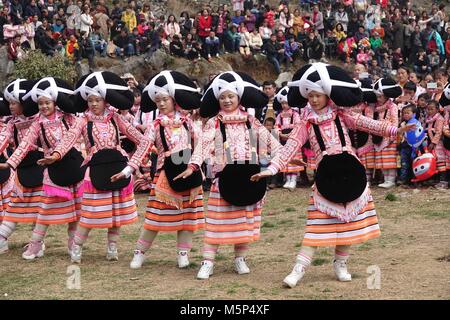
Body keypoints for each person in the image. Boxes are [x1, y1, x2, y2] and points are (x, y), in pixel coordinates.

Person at [251, 62, 414, 288]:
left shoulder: (342, 114)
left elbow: (369, 124)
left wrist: (396, 130)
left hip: (351, 173)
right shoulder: (305, 123)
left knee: (349, 226)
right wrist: (270, 169)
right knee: (315, 229)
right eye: (311, 96)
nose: (314, 100)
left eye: (318, 95)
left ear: (327, 94)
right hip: (326, 178)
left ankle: (341, 263)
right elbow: (290, 148)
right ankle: (298, 269)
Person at [38, 71, 151, 264]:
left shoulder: (116, 118)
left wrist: (150, 147)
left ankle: (112, 247)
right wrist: (56, 155)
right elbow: (70, 137)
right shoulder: (83, 120)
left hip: (117, 167)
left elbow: (138, 137)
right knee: (89, 213)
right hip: (95, 170)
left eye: (97, 100)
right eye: (90, 100)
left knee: (116, 213)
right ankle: (77, 247)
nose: (93, 104)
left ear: (105, 101)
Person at [181, 71, 281, 279]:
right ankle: (207, 262)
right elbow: (203, 145)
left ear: (238, 98)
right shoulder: (214, 123)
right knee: (217, 222)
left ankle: (240, 259)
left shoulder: (251, 121)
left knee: (244, 222)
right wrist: (192, 165)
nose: (227, 100)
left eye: (231, 96)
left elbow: (271, 143)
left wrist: (279, 161)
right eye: (223, 97)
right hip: (224, 179)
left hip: (249, 177)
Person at [129, 70, 205, 269]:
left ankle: (183, 254)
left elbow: (201, 145)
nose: (161, 104)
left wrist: (196, 165)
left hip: (190, 171)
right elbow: (143, 147)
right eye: (157, 101)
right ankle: (139, 252)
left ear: (174, 99)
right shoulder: (155, 126)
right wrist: (130, 169)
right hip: (165, 172)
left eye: (165, 99)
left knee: (188, 217)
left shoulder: (189, 123)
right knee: (155, 216)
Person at [0, 77, 82, 260]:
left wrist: (57, 154)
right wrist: (10, 163)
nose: (44, 107)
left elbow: (72, 137)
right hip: (44, 171)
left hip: (70, 166)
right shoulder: (35, 123)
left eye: (47, 103)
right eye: (40, 104)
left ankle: (73, 244)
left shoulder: (68, 118)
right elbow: (25, 144)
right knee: (44, 209)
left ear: (55, 102)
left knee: (76, 210)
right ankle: (35, 245)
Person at [0, 79, 41, 254]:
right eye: (9, 103)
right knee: (15, 204)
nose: (10, 106)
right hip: (21, 168)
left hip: (39, 166)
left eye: (14, 103)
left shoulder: (39, 120)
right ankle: (2, 239)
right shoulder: (11, 123)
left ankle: (37, 243)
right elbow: (3, 138)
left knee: (40, 207)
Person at [371, 78, 402, 188]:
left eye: (380, 96)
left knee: (390, 159)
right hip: (380, 135)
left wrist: (392, 136)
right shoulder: (376, 108)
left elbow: (395, 121)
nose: (378, 99)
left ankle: (391, 179)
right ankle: (386, 179)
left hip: (390, 136)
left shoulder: (392, 106)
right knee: (382, 159)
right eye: (377, 96)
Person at [273, 86, 304, 190]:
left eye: (286, 103)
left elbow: (298, 125)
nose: (284, 105)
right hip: (283, 139)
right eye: (282, 103)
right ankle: (287, 179)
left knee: (293, 158)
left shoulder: (295, 114)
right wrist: (281, 134)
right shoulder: (279, 116)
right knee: (286, 158)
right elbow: (276, 126)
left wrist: (291, 135)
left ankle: (293, 178)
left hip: (293, 139)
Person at [424, 100, 447, 188]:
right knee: (433, 160)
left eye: (432, 109)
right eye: (428, 109)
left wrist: (433, 142)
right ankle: (435, 179)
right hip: (430, 142)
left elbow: (439, 132)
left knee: (440, 160)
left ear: (437, 109)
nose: (429, 111)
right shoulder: (429, 119)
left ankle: (443, 181)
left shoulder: (439, 119)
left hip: (438, 143)